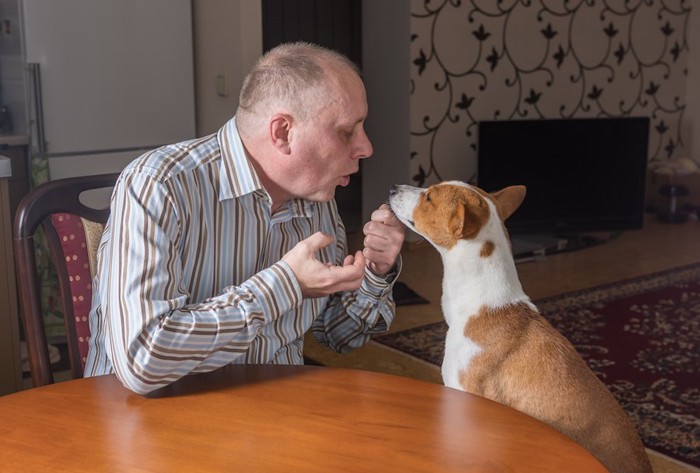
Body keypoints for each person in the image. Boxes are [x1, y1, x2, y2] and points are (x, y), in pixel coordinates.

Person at [84, 41, 406, 394]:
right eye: (347, 130)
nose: (366, 147)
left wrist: (375, 273)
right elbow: (142, 361)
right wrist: (286, 285)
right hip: (148, 422)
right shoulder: (159, 186)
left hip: (272, 419)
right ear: (282, 132)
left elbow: (334, 335)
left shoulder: (318, 202)